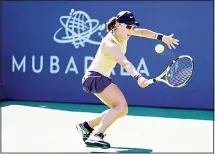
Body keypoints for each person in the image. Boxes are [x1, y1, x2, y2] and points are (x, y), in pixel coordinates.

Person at [76, 11, 179, 148]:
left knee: (121, 109)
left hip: (98, 77)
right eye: (128, 27)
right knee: (121, 106)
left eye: (133, 27)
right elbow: (124, 62)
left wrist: (162, 38)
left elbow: (143, 32)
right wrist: (138, 77)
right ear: (118, 25)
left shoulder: (125, 33)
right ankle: (97, 135)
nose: (131, 30)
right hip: (95, 77)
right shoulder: (110, 43)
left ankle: (87, 126)